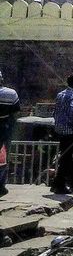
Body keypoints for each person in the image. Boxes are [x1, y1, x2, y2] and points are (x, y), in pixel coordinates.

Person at [0, 69, 20, 198]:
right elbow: (16, 112)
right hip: (4, 128)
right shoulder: (10, 93)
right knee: (2, 158)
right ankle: (1, 185)